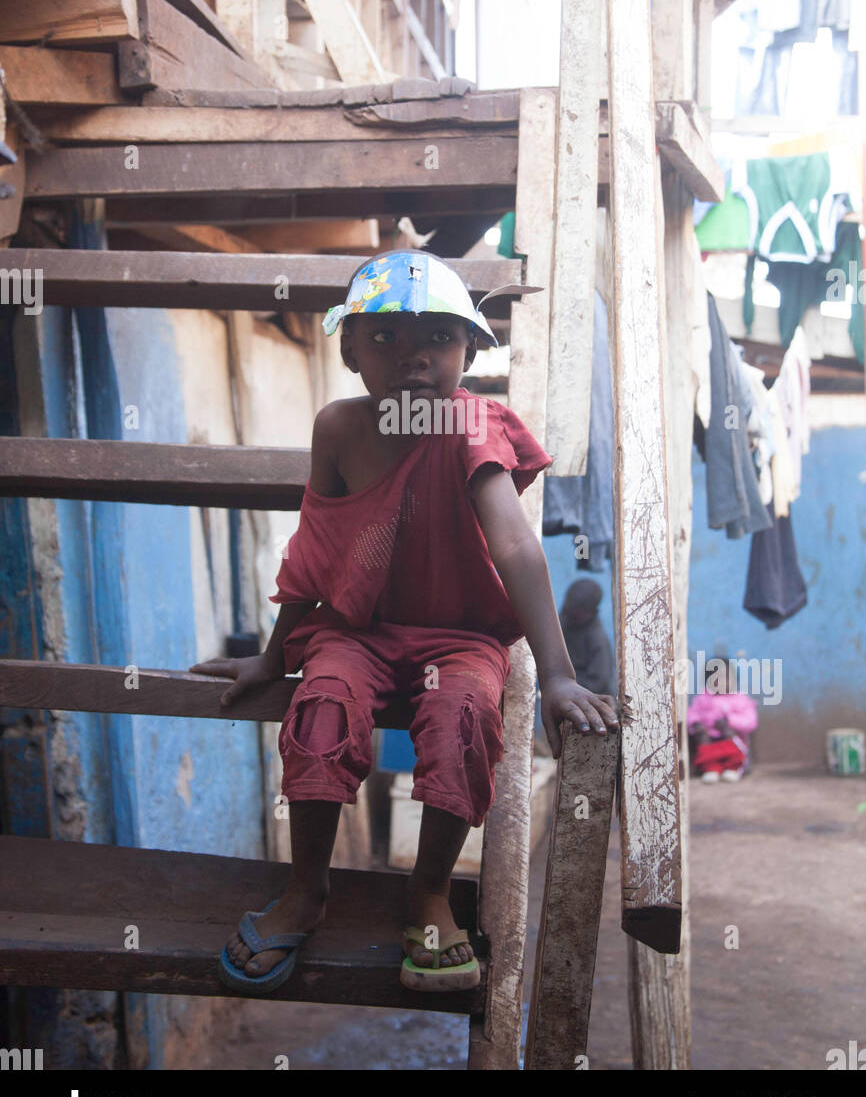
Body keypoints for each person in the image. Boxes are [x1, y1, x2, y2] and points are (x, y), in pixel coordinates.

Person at [191, 250, 618, 995]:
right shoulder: (339, 429)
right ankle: (308, 888)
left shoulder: (472, 425)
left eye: (438, 339)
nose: (412, 358)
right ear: (349, 347)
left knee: (461, 718)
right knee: (320, 706)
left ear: (470, 352)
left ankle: (427, 891)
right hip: (355, 631)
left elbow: (514, 543)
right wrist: (271, 657)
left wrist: (556, 673)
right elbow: (315, 550)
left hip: (460, 636)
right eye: (385, 337)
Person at [686, 656, 758, 784]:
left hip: (731, 738)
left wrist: (730, 721)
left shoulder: (740, 698)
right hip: (711, 738)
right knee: (703, 740)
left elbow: (751, 721)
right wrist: (696, 724)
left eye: (727, 677)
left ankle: (733, 768)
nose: (723, 681)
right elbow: (692, 713)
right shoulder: (703, 698)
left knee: (731, 737)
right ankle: (711, 769)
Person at [558, 578, 614, 697]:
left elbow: (598, 683)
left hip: (589, 699)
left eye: (575, 613)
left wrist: (565, 685)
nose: (569, 614)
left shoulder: (597, 640)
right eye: (568, 608)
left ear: (591, 612)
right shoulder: (563, 620)